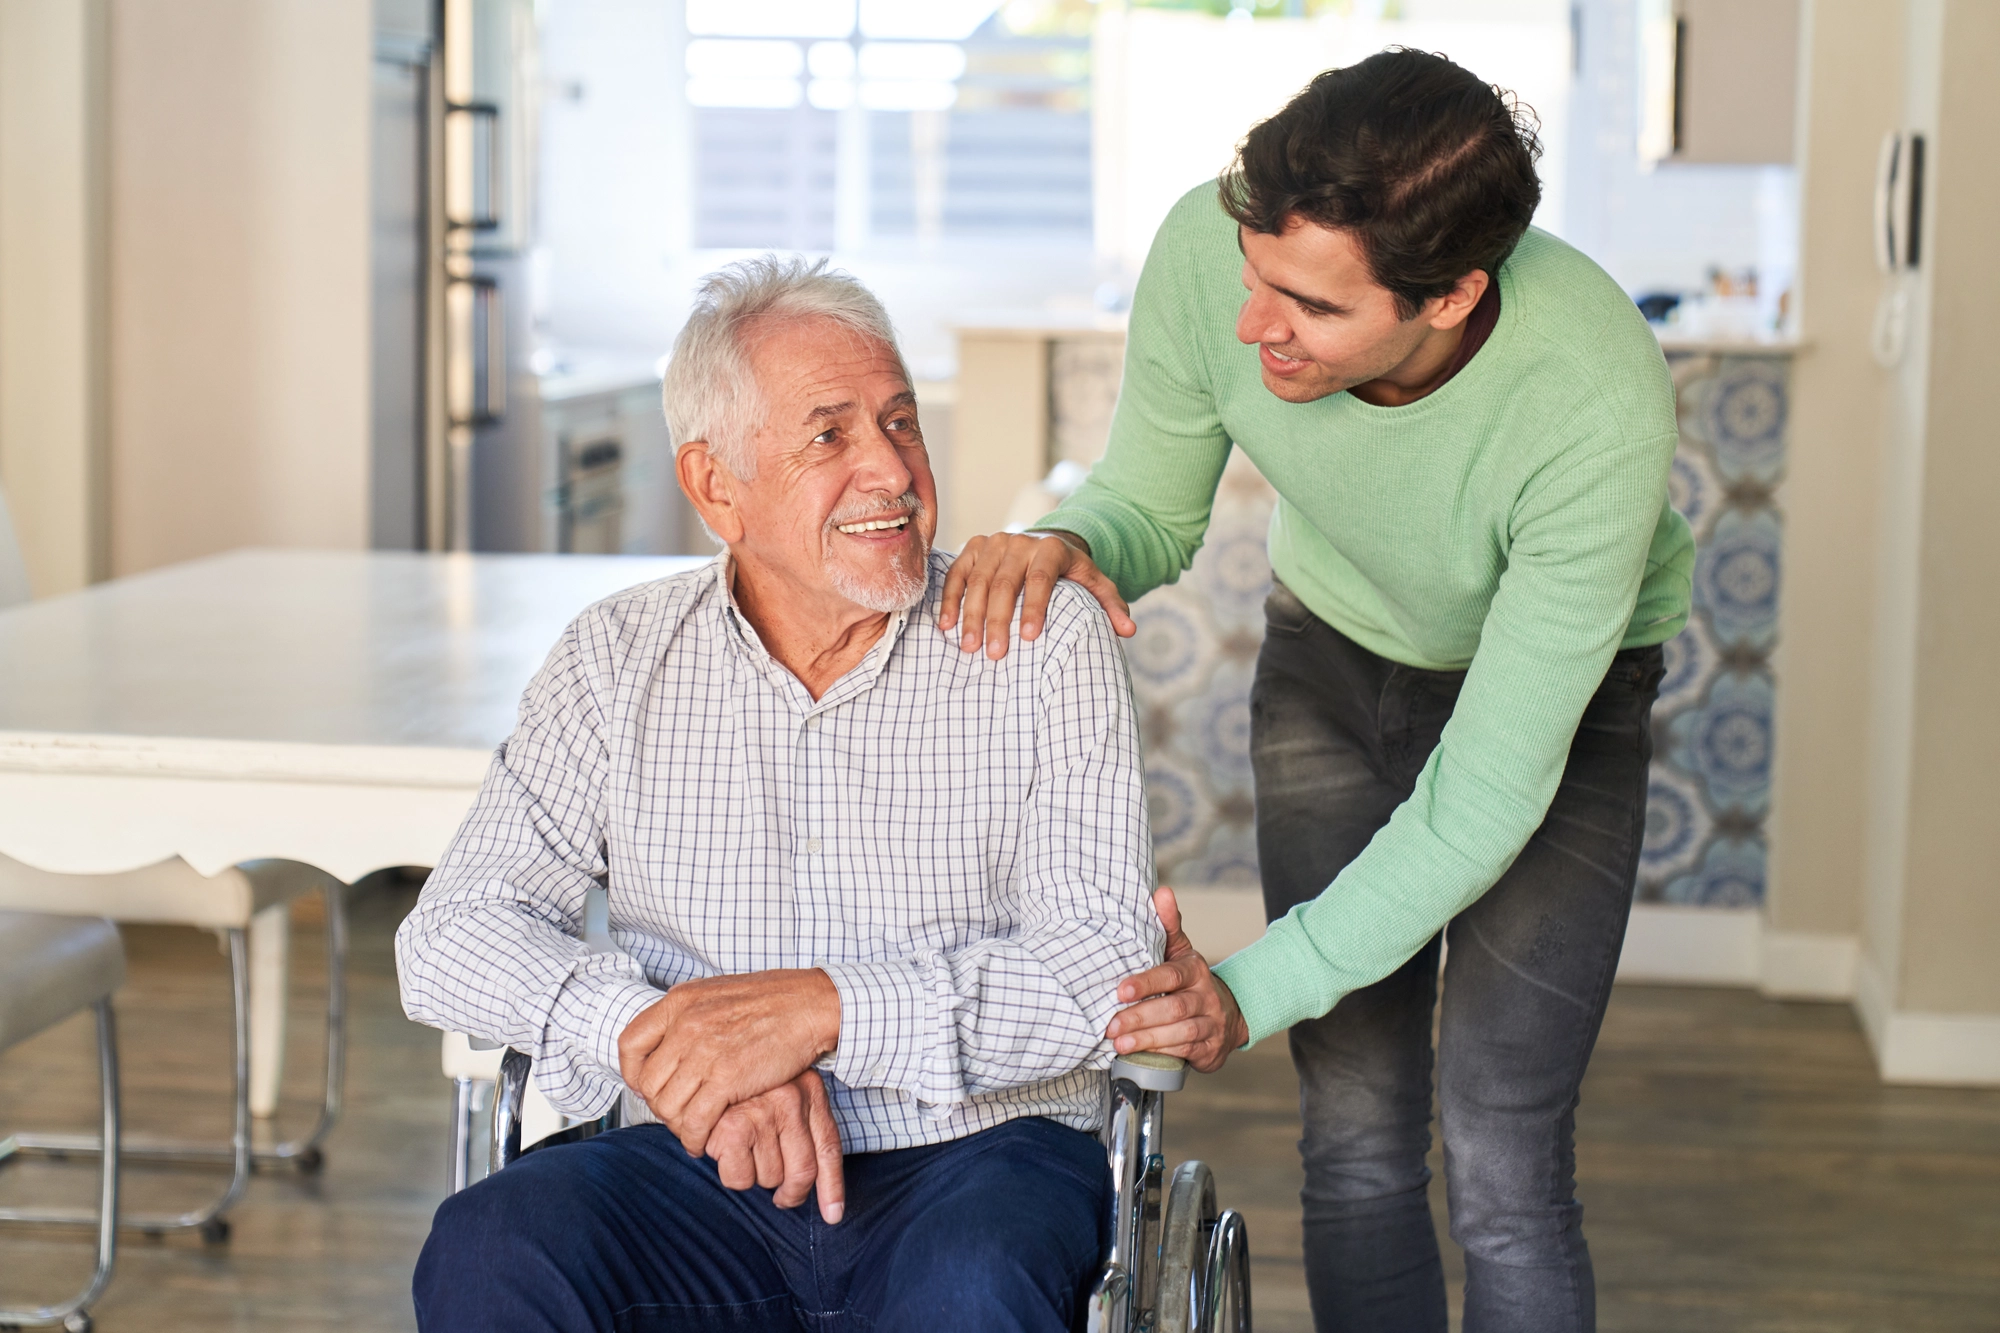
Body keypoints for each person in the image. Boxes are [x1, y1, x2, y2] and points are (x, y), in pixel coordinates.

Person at [942, 50, 1690, 1333]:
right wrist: (1071, 540)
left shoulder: (1593, 400)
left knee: (1503, 1156)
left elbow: (1481, 798)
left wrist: (1248, 987)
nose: (1250, 324)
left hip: (1561, 709)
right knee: (1353, 1136)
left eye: (1306, 306)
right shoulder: (1211, 248)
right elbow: (1148, 507)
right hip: (1330, 663)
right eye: (1250, 278)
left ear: (1450, 296)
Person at [396, 256, 1162, 1333]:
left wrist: (820, 1011)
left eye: (901, 422)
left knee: (973, 1290)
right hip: (696, 1157)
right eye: (829, 435)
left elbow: (1103, 967)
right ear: (716, 486)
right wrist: (674, 1043)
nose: (890, 471)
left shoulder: (1037, 642)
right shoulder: (615, 657)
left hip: (975, 1156)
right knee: (489, 1248)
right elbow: (450, 934)